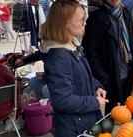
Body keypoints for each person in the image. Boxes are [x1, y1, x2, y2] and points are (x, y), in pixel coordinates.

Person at [38, 0, 109, 136]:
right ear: (65, 22)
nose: (85, 23)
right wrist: (94, 102)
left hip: (84, 120)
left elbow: (80, 76)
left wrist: (95, 86)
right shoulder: (59, 57)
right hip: (74, 127)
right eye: (82, 19)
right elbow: (63, 100)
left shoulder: (72, 45)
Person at [81, 0, 133, 115]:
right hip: (110, 80)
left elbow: (131, 44)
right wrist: (104, 79)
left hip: (129, 75)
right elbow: (90, 55)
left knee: (131, 114)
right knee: (114, 117)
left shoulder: (126, 14)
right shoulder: (95, 19)